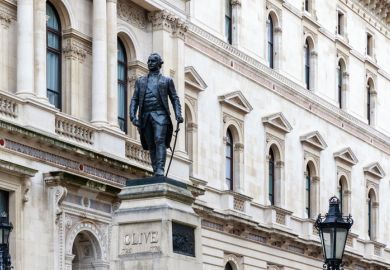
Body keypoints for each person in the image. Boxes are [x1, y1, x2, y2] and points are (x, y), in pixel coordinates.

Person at [130, 53, 183, 176]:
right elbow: (135, 99)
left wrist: (178, 114)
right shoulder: (141, 81)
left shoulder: (167, 81)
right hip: (145, 116)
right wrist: (132, 116)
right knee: (151, 144)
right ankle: (155, 169)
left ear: (159, 64)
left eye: (153, 61)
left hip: (161, 115)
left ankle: (160, 169)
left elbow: (174, 98)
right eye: (149, 61)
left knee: (159, 140)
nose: (150, 63)